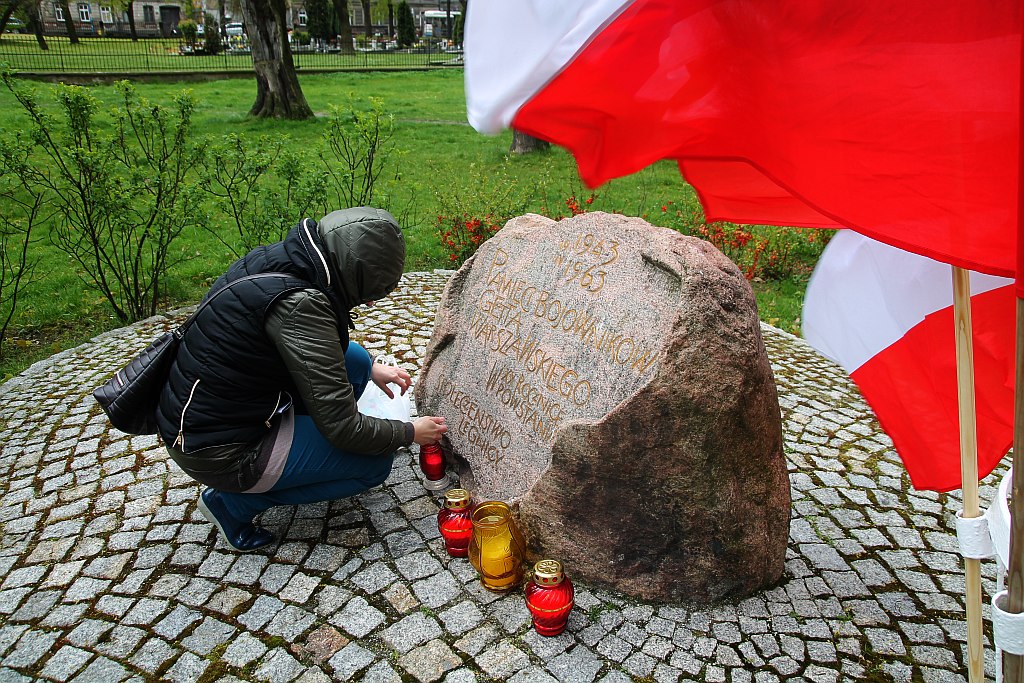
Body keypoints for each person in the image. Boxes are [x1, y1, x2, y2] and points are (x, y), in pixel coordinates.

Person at [156, 207, 448, 551]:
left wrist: (370, 367)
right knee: (373, 463)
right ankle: (230, 504)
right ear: (355, 274)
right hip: (221, 448)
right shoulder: (301, 306)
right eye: (370, 293)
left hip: (212, 410)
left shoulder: (289, 259)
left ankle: (304, 447)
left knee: (354, 359)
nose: (368, 302)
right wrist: (410, 432)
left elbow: (312, 348)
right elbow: (344, 429)